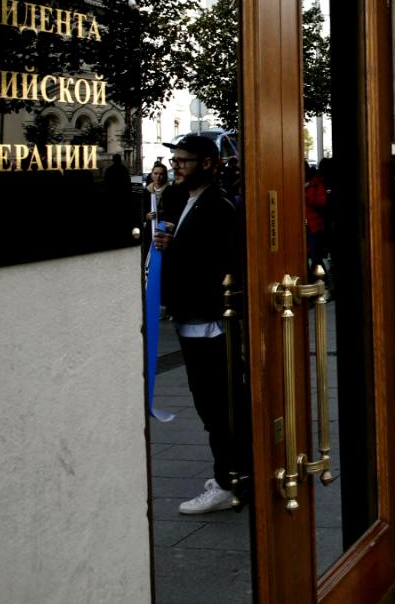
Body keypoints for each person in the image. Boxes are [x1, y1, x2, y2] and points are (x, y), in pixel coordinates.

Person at [154, 133, 246, 515]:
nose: (176, 166)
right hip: (192, 317)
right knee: (211, 403)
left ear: (207, 164)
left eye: (184, 161)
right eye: (175, 160)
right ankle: (233, 475)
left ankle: (227, 483)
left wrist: (173, 248)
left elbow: (216, 263)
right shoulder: (186, 200)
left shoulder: (218, 207)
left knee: (216, 405)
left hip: (208, 321)